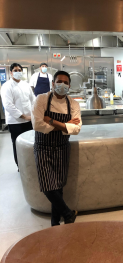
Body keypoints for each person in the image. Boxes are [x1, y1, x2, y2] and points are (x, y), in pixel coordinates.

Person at [32, 70, 82, 226]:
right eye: (59, 82)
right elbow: (37, 125)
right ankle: (68, 214)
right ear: (53, 84)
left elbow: (76, 129)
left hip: (62, 148)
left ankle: (55, 223)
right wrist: (65, 126)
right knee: (48, 185)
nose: (62, 85)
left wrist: (52, 121)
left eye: (66, 83)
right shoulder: (41, 99)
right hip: (43, 147)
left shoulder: (73, 104)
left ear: (69, 86)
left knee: (58, 187)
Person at [1, 63, 34, 169]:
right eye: (15, 70)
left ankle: (30, 164)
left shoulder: (26, 84)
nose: (18, 72)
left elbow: (33, 99)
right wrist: (24, 116)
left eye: (20, 70)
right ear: (11, 73)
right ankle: (21, 166)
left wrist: (35, 112)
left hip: (29, 120)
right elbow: (8, 105)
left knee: (30, 143)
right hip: (15, 122)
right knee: (18, 144)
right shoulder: (6, 86)